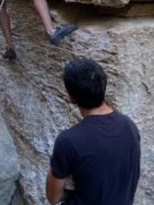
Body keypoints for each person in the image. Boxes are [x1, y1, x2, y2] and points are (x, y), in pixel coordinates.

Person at [46, 58, 141, 205]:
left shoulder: (68, 141)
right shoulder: (129, 126)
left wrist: (69, 186)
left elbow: (53, 197)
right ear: (103, 85)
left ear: (70, 96)